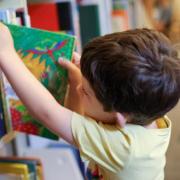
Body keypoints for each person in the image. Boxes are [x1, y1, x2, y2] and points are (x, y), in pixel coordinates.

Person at [0, 23, 180, 180]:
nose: (79, 90)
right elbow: (80, 127)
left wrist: (6, 53)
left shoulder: (125, 149)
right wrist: (80, 81)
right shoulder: (148, 112)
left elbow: (48, 113)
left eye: (85, 92)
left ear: (119, 117)